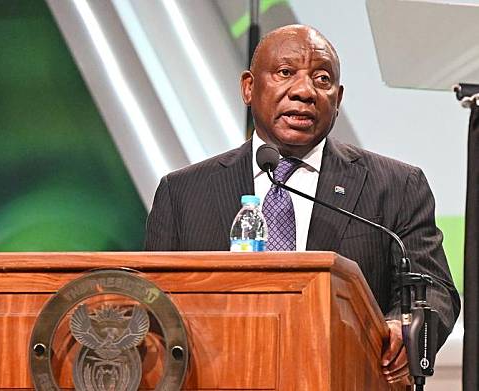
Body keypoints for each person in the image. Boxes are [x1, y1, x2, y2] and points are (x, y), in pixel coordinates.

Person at [144, 24, 460, 385]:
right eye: (285, 72)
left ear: (338, 99)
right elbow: (154, 303)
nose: (304, 91)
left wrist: (406, 327)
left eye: (322, 79)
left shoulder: (396, 185)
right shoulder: (182, 192)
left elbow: (434, 289)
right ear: (249, 87)